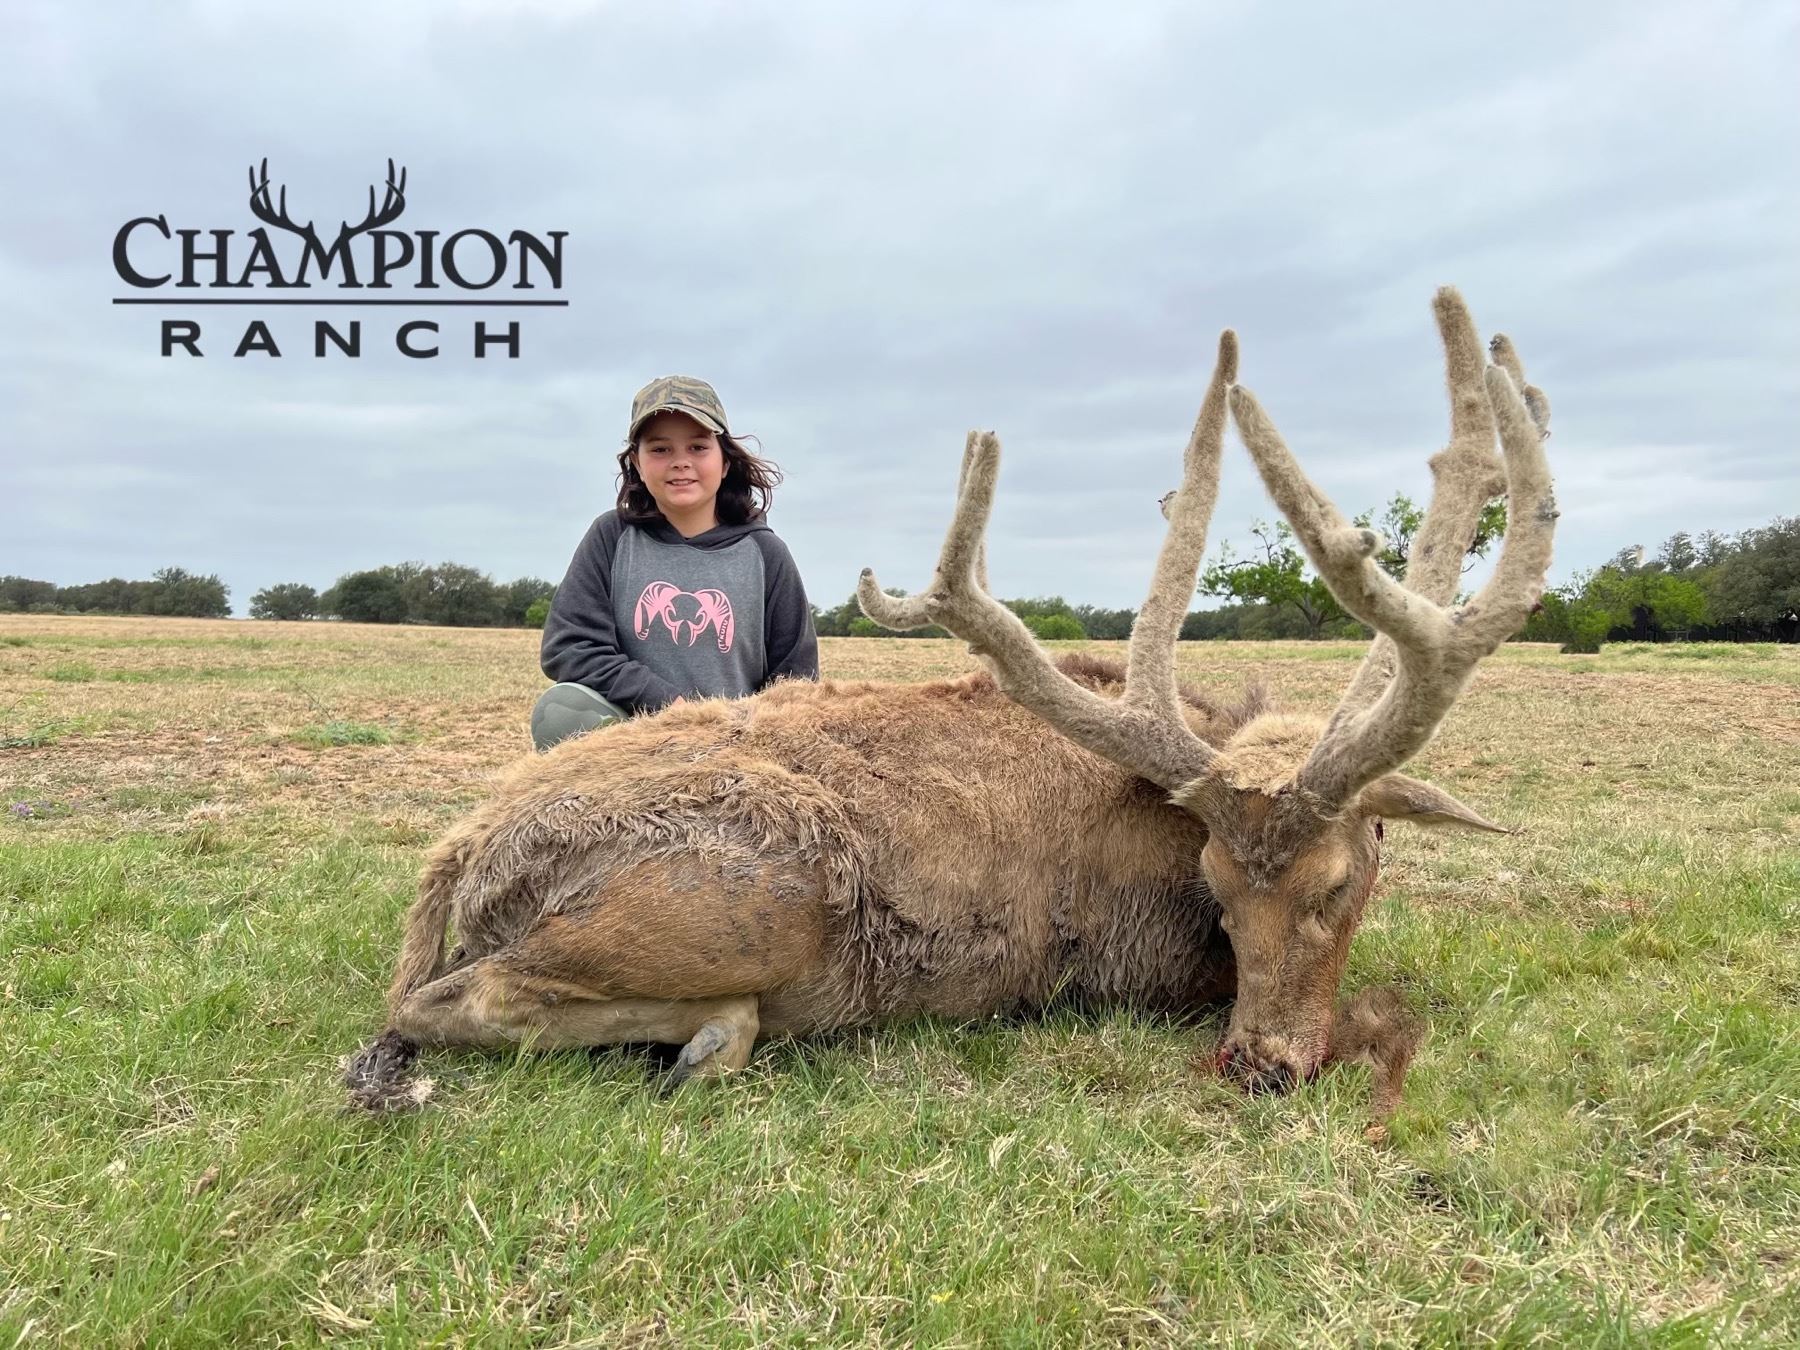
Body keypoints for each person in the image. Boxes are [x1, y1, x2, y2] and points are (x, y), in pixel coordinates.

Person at [531, 375, 819, 750]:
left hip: (731, 753)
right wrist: (670, 704)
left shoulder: (766, 554)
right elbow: (570, 647)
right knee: (564, 711)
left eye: (698, 447)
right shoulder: (611, 538)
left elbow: (797, 680)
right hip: (632, 743)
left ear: (725, 461)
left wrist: (742, 738)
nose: (681, 462)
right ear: (636, 461)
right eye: (660, 449)